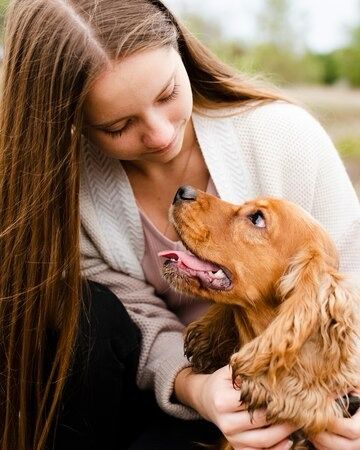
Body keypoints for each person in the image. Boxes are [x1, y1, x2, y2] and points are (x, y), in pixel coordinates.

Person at [0, 0, 359, 449]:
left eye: (168, 94)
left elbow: (350, 281)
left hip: (312, 386)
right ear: (71, 123)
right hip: (159, 394)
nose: (162, 135)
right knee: (84, 312)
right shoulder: (68, 194)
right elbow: (131, 319)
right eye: (119, 126)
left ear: (182, 51)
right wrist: (198, 388)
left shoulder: (284, 137)